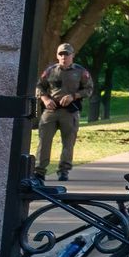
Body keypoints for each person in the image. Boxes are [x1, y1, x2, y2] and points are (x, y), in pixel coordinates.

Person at [34, 43, 94, 181]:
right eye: (61, 54)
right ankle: (39, 171)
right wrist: (45, 99)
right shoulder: (50, 71)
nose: (63, 57)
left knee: (68, 142)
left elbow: (89, 89)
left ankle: (63, 171)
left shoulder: (80, 72)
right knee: (44, 141)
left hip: (70, 112)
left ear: (72, 55)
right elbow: (39, 86)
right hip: (51, 111)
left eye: (66, 54)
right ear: (57, 55)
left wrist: (74, 96)